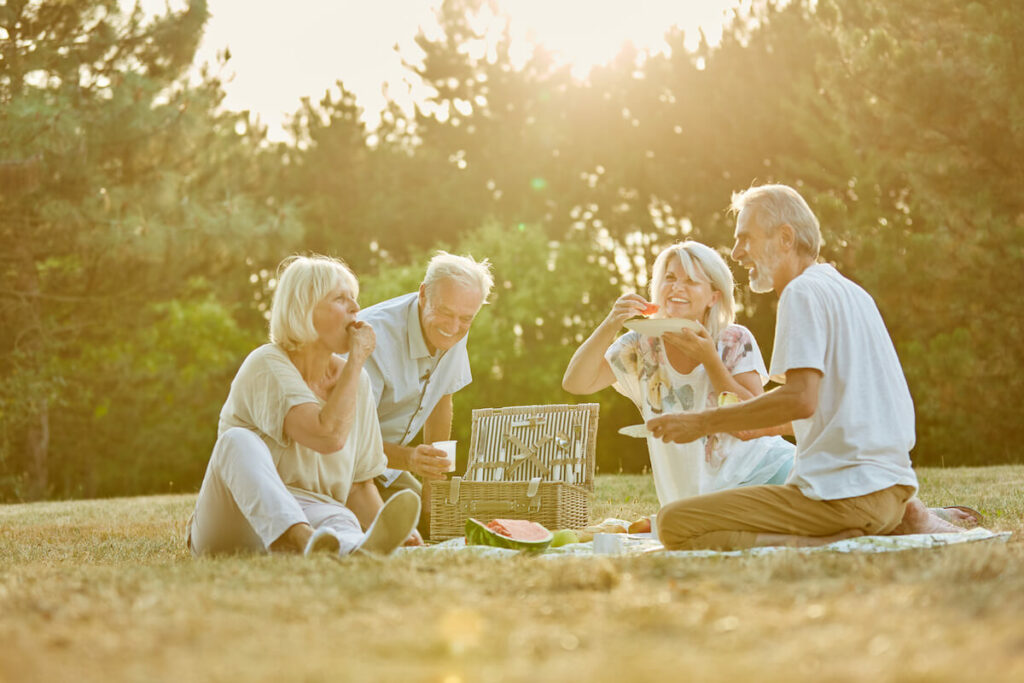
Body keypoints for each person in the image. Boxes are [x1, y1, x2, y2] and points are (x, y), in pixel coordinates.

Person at [648, 184, 968, 550]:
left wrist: (703, 422)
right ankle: (839, 533)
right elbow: (831, 406)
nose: (736, 254)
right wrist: (750, 422)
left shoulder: (800, 293)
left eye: (745, 239)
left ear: (785, 238)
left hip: (842, 498)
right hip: (891, 494)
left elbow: (800, 400)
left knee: (674, 522)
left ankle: (823, 541)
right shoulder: (849, 291)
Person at [187, 255, 421, 558]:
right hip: (236, 517)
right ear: (304, 309)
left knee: (342, 519)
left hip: (317, 514)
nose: (355, 308)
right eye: (340, 298)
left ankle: (356, 547)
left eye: (354, 299)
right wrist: (358, 359)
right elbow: (327, 436)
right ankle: (298, 538)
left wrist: (391, 531)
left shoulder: (356, 381)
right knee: (236, 441)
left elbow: (359, 487)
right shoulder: (267, 364)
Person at [562, 241, 794, 506]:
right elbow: (576, 382)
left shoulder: (733, 339)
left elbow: (755, 422)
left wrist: (710, 360)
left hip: (764, 475)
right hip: (692, 500)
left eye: (692, 281)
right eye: (670, 278)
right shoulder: (641, 344)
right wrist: (611, 322)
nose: (677, 287)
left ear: (713, 297)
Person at [357, 251, 494, 524]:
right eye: (444, 312)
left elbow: (441, 400)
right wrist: (409, 459)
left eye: (466, 318)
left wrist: (433, 485)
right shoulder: (373, 337)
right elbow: (350, 438)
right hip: (342, 468)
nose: (453, 327)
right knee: (387, 529)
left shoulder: (453, 331)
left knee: (439, 524)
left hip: (388, 467)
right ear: (423, 294)